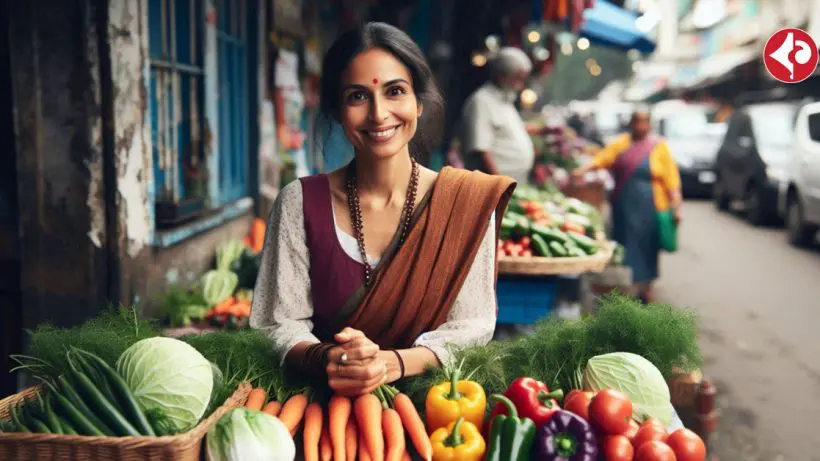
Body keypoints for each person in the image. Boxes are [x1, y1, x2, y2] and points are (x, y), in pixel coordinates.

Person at [250, 22, 516, 398]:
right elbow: (277, 324)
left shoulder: (466, 205)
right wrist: (331, 359)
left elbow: (472, 327)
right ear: (337, 111)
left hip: (439, 410)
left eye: (395, 91)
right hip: (325, 409)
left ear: (418, 103)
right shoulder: (299, 203)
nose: (378, 114)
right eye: (358, 96)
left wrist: (394, 363)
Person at [572, 109, 682, 304]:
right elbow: (602, 159)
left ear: (649, 124)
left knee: (648, 246)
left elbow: (672, 180)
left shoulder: (659, 147)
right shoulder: (621, 143)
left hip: (650, 206)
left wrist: (676, 206)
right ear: (631, 123)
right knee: (625, 244)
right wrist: (582, 170)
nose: (640, 126)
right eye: (636, 122)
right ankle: (627, 284)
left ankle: (646, 286)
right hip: (624, 205)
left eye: (643, 122)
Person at [460, 47, 541, 183]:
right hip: (491, 189)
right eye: (518, 78)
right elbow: (481, 151)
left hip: (511, 186)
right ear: (502, 76)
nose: (520, 86)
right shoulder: (481, 101)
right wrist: (501, 186)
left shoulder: (506, 102)